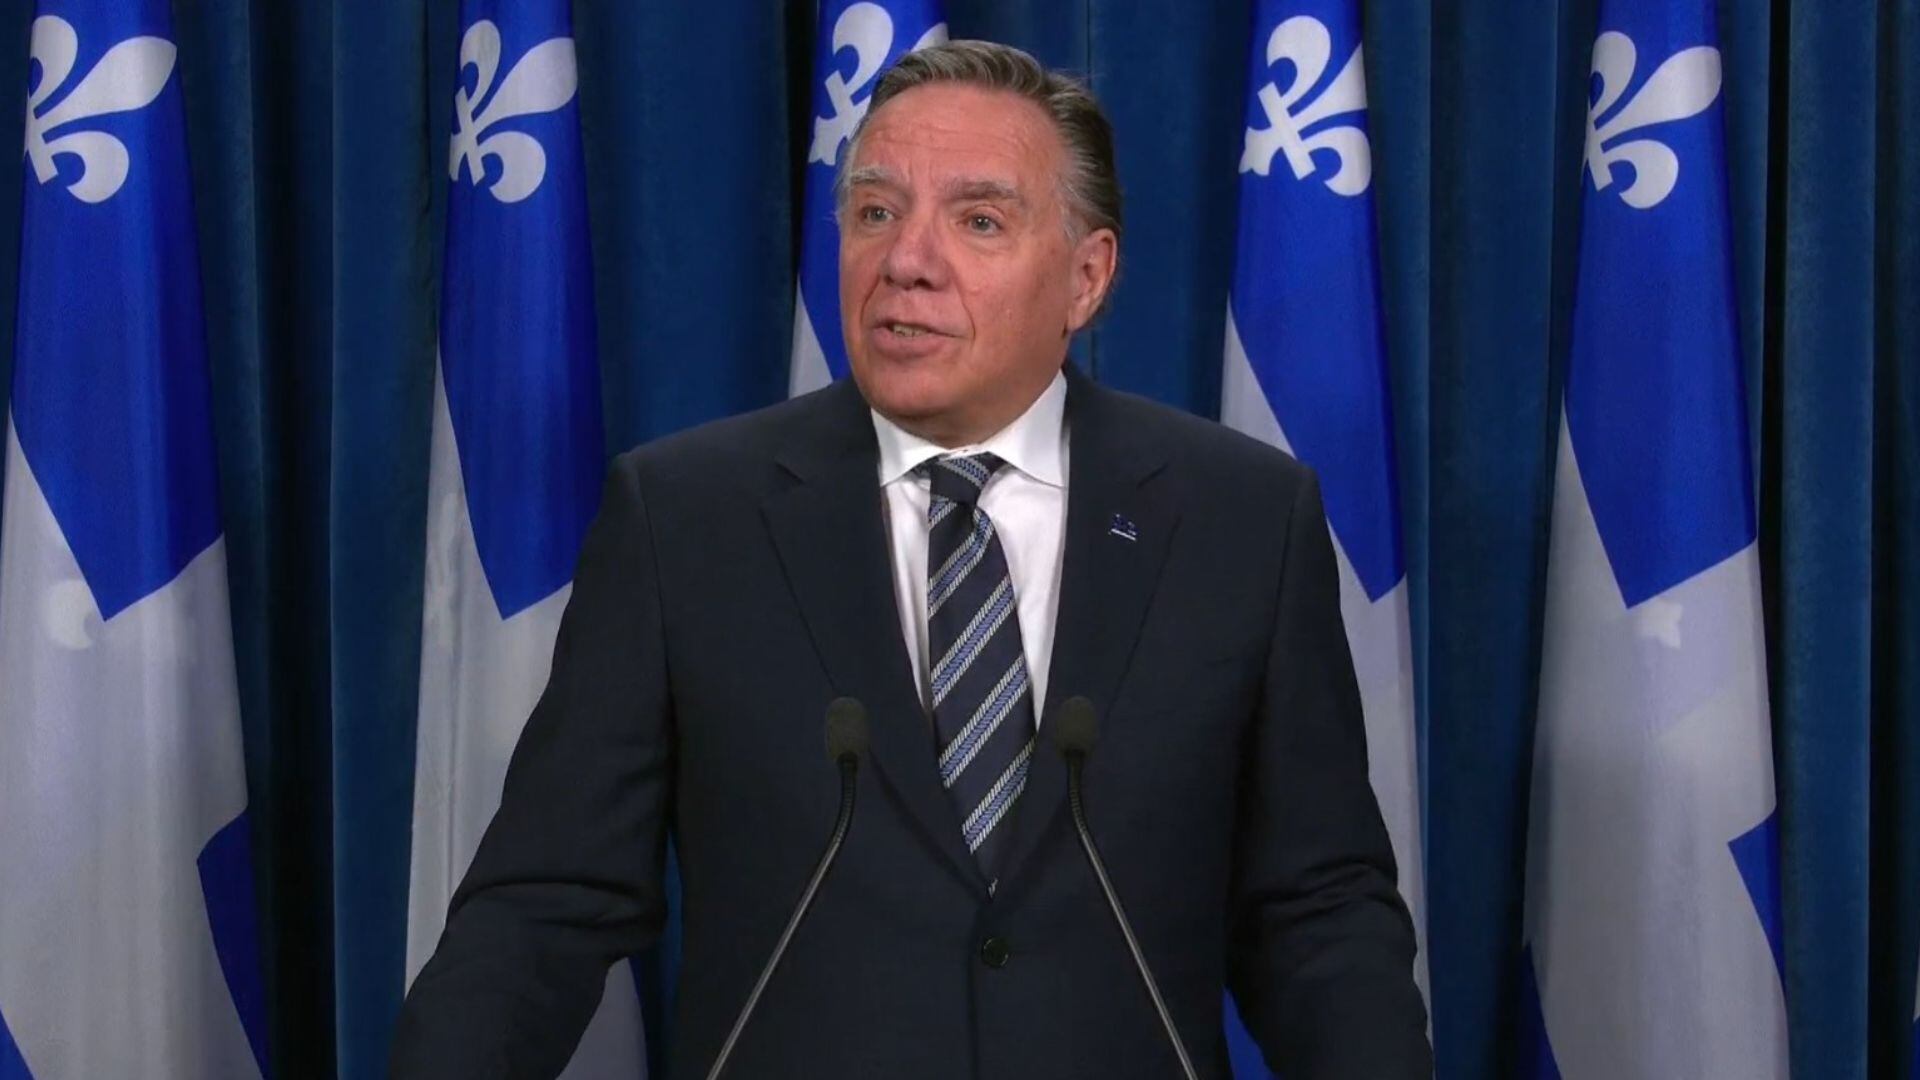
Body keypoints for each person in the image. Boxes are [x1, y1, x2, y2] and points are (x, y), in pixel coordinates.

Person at [392, 40, 1430, 1079]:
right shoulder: (686, 518)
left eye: (978, 221)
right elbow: (546, 904)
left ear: (1086, 277)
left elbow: (1317, 912)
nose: (906, 261)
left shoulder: (1240, 519)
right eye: (877, 212)